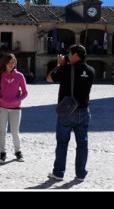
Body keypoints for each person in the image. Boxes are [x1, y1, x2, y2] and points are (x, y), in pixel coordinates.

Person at [46, 44, 95, 182]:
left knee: (62, 143)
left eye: (68, 53)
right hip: (84, 112)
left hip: (67, 112)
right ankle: (80, 174)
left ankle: (59, 173)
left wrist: (59, 65)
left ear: (75, 55)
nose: (67, 55)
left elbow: (49, 78)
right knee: (82, 144)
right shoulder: (91, 70)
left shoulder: (66, 69)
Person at [0, 53, 28, 162]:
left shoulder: (20, 76)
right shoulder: (0, 75)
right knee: (2, 131)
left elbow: (25, 92)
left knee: (15, 132)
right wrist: (0, 99)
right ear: (5, 63)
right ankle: (2, 153)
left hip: (16, 108)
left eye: (13, 62)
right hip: (2, 108)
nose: (11, 64)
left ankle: (18, 152)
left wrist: (16, 100)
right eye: (9, 62)